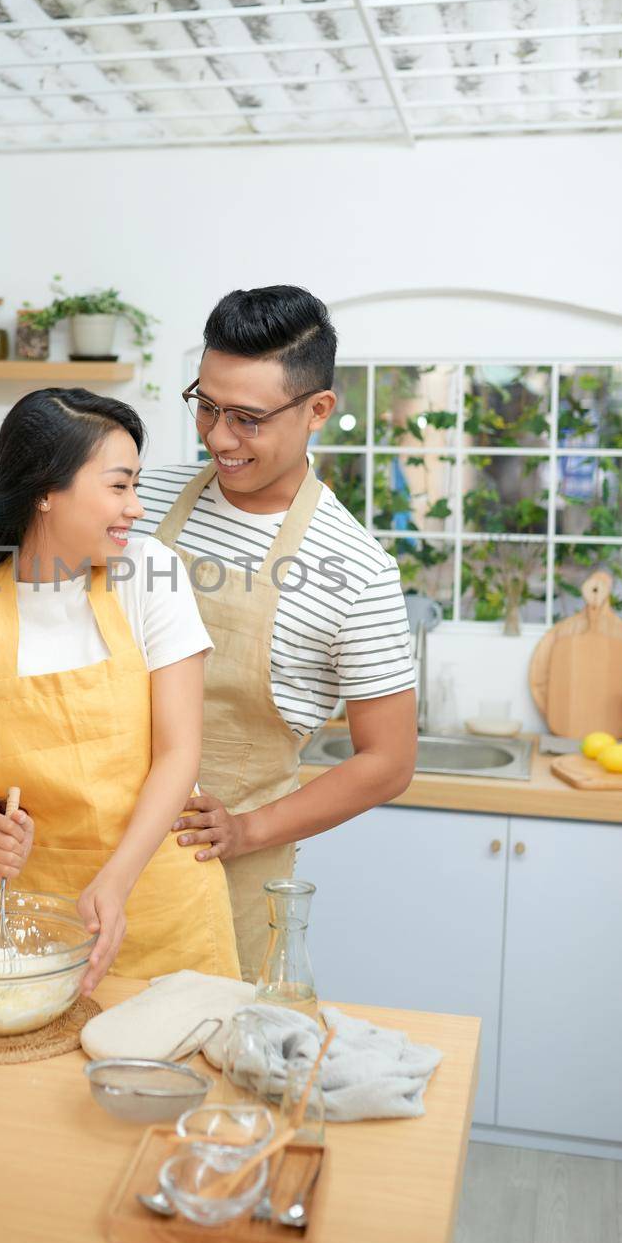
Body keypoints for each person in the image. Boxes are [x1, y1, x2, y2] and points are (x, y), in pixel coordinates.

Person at [133, 285, 418, 980]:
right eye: (205, 404)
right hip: (92, 850)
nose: (218, 437)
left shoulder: (357, 570)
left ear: (318, 409)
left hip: (223, 877)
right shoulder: (138, 500)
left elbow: (388, 762)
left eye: (247, 418)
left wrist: (247, 830)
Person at [0, 387, 240, 995]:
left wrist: (115, 882)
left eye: (136, 486)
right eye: (119, 487)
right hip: (46, 931)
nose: (137, 508)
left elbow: (179, 753)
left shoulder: (150, 573)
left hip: (171, 911)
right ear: (45, 490)